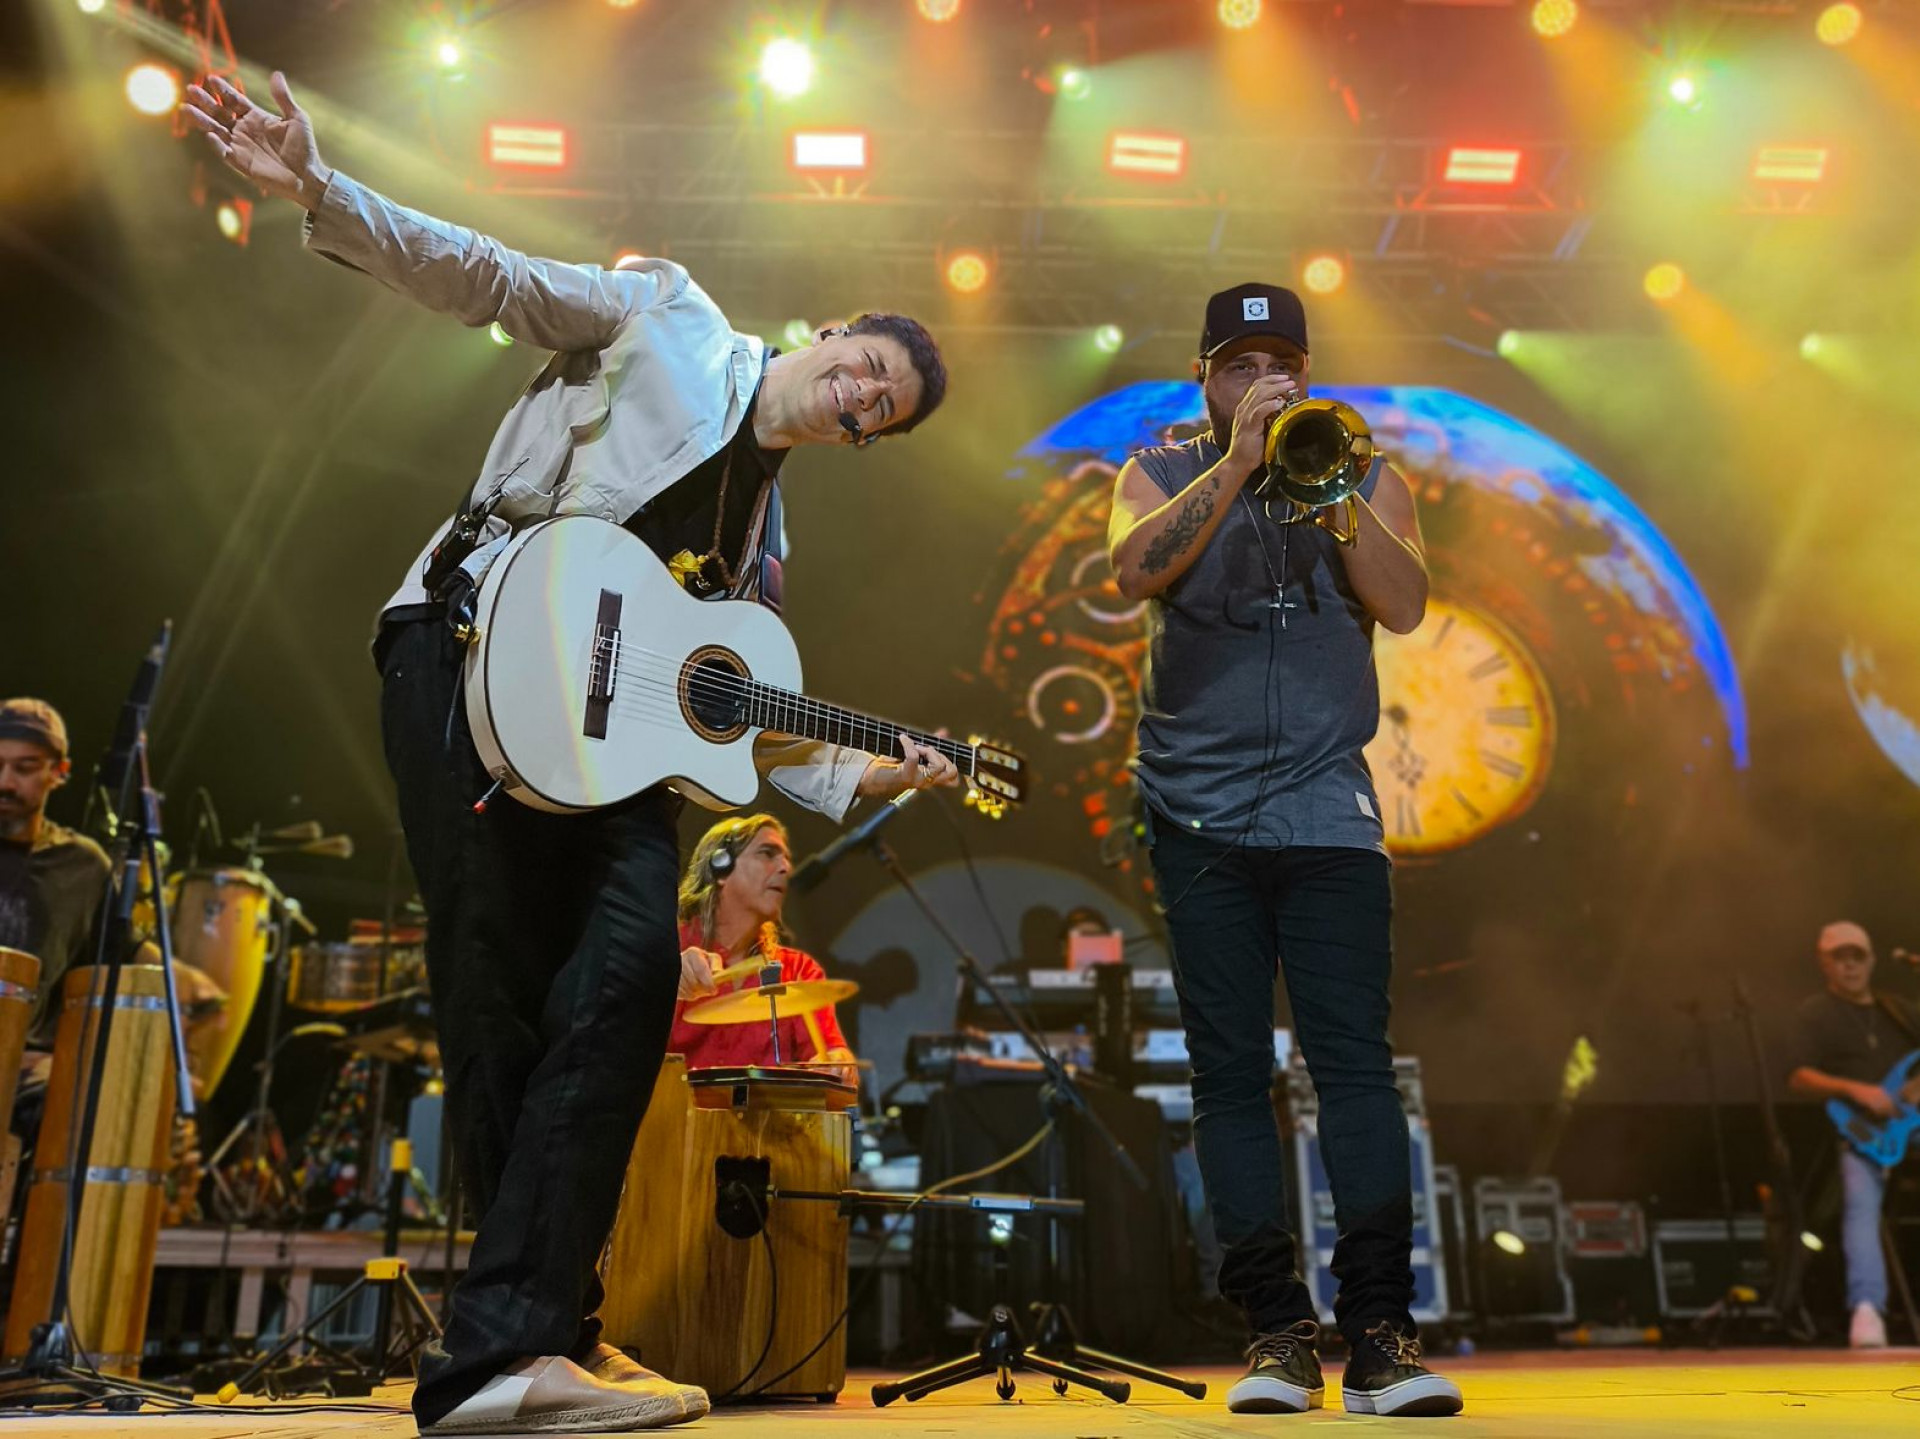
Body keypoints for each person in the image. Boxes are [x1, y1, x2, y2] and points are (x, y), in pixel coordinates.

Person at [183, 72, 959, 1436]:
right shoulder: (671, 314)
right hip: (470, 650)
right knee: (491, 1002)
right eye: (866, 371)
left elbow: (726, 712)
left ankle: (533, 1342)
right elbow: (492, 277)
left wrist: (858, 769)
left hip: (609, 760)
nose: (854, 401)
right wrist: (318, 189)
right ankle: (516, 1352)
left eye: (873, 416)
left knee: (626, 976)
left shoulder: (762, 554)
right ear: (833, 331)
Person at [1106, 283, 1460, 1416]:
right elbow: (1133, 572)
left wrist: (1330, 489)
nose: (1262, 381)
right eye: (1238, 363)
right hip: (1196, 816)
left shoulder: (1357, 468)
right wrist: (1239, 462)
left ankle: (1383, 1335)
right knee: (1229, 1076)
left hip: (1326, 815)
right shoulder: (1158, 470)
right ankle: (1274, 1332)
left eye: (1281, 363)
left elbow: (1405, 607)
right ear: (1203, 373)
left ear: (1308, 369)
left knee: (1352, 1067)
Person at [1787, 920, 1920, 1350]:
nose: (1849, 966)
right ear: (1824, 964)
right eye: (1839, 958)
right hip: (1858, 1127)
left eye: (1857, 957)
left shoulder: (1898, 1010)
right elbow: (1799, 1076)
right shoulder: (1815, 1013)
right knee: (1860, 1200)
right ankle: (1866, 1307)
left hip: (1911, 1121)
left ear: (1872, 961)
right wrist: (1855, 1088)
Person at [671, 815, 857, 1088]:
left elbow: (828, 1051)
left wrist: (835, 1062)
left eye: (786, 858)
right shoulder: (666, 951)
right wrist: (667, 977)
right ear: (721, 867)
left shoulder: (798, 971)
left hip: (768, 1128)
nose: (786, 867)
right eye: (767, 854)